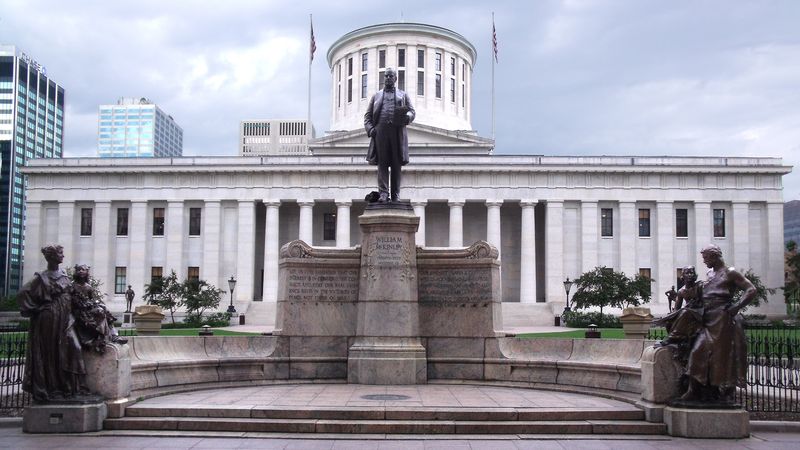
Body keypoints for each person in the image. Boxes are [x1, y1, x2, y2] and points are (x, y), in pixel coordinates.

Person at [682, 244, 755, 402]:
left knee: (722, 357)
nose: (704, 261)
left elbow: (751, 289)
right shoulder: (710, 273)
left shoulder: (730, 273)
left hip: (722, 320)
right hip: (707, 318)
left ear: (715, 256)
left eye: (706, 258)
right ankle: (693, 390)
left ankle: (722, 391)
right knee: (697, 351)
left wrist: (736, 307)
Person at [17, 245, 88, 402]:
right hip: (49, 318)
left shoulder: (64, 275)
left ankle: (71, 387)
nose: (62, 256)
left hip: (66, 318)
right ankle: (54, 389)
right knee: (51, 352)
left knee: (73, 347)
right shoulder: (42, 277)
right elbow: (23, 293)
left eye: (62, 253)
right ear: (51, 257)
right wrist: (37, 308)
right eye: (60, 253)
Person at [364, 67, 416, 203]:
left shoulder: (403, 95)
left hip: (397, 132)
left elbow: (412, 111)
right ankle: (383, 193)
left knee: (396, 164)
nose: (388, 78)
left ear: (395, 79)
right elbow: (368, 116)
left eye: (391, 76)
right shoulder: (376, 96)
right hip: (380, 133)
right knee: (382, 163)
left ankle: (395, 194)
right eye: (386, 76)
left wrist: (407, 117)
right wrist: (370, 130)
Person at [71, 264, 127, 352]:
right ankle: (112, 336)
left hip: (88, 310)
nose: (81, 271)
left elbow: (92, 300)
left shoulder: (88, 287)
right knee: (101, 312)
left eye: (83, 269)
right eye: (78, 270)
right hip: (79, 312)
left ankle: (111, 335)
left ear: (87, 272)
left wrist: (93, 304)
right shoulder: (72, 286)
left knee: (102, 309)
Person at [654, 266, 704, 348]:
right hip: (689, 312)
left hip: (700, 311)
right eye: (687, 273)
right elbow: (677, 308)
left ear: (695, 275)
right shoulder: (681, 291)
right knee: (670, 320)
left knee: (685, 312)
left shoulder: (700, 286)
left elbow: (706, 301)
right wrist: (670, 316)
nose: (690, 275)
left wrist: (696, 304)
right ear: (682, 276)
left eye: (692, 272)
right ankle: (678, 339)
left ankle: (673, 337)